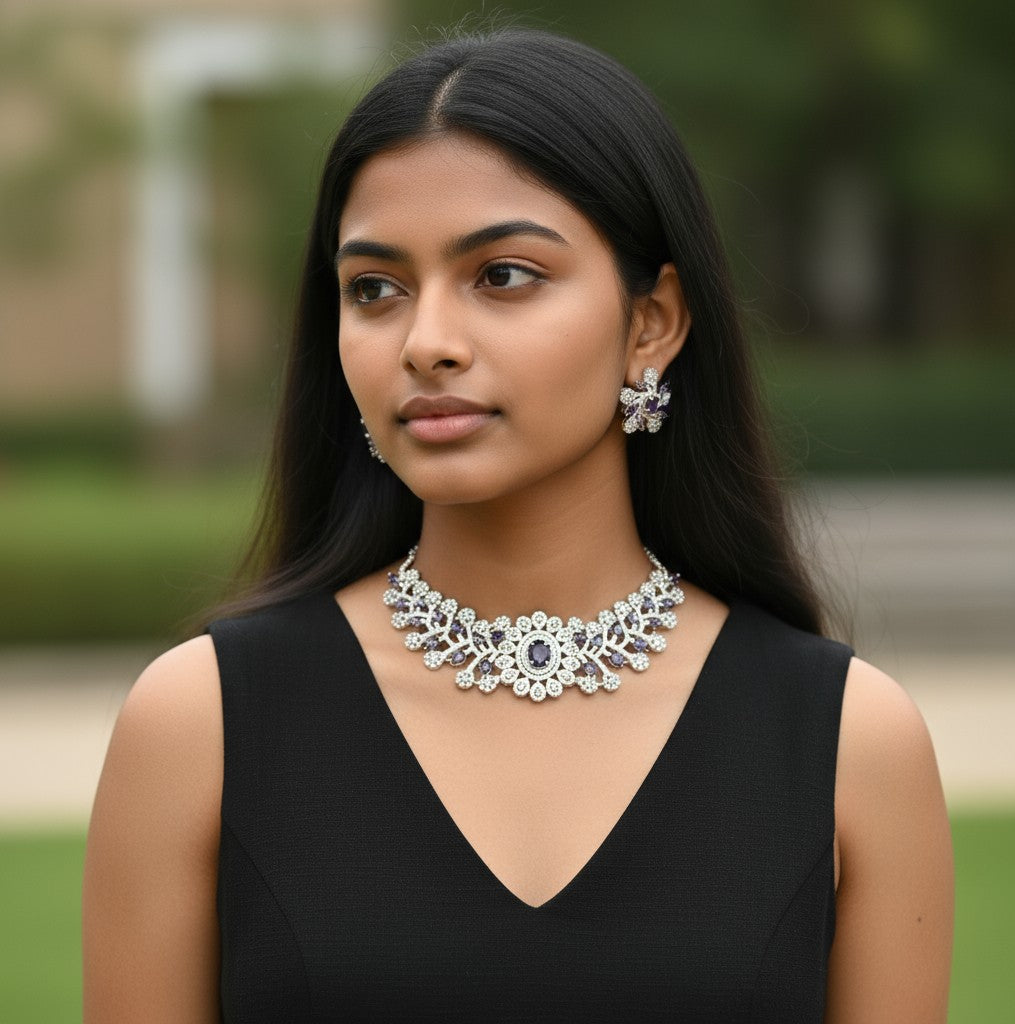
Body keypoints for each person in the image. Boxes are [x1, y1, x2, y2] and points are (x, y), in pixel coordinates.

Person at [82, 27, 953, 1022]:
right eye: (375, 289)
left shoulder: (848, 742)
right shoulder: (203, 724)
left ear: (651, 324)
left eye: (501, 275)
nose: (427, 343)